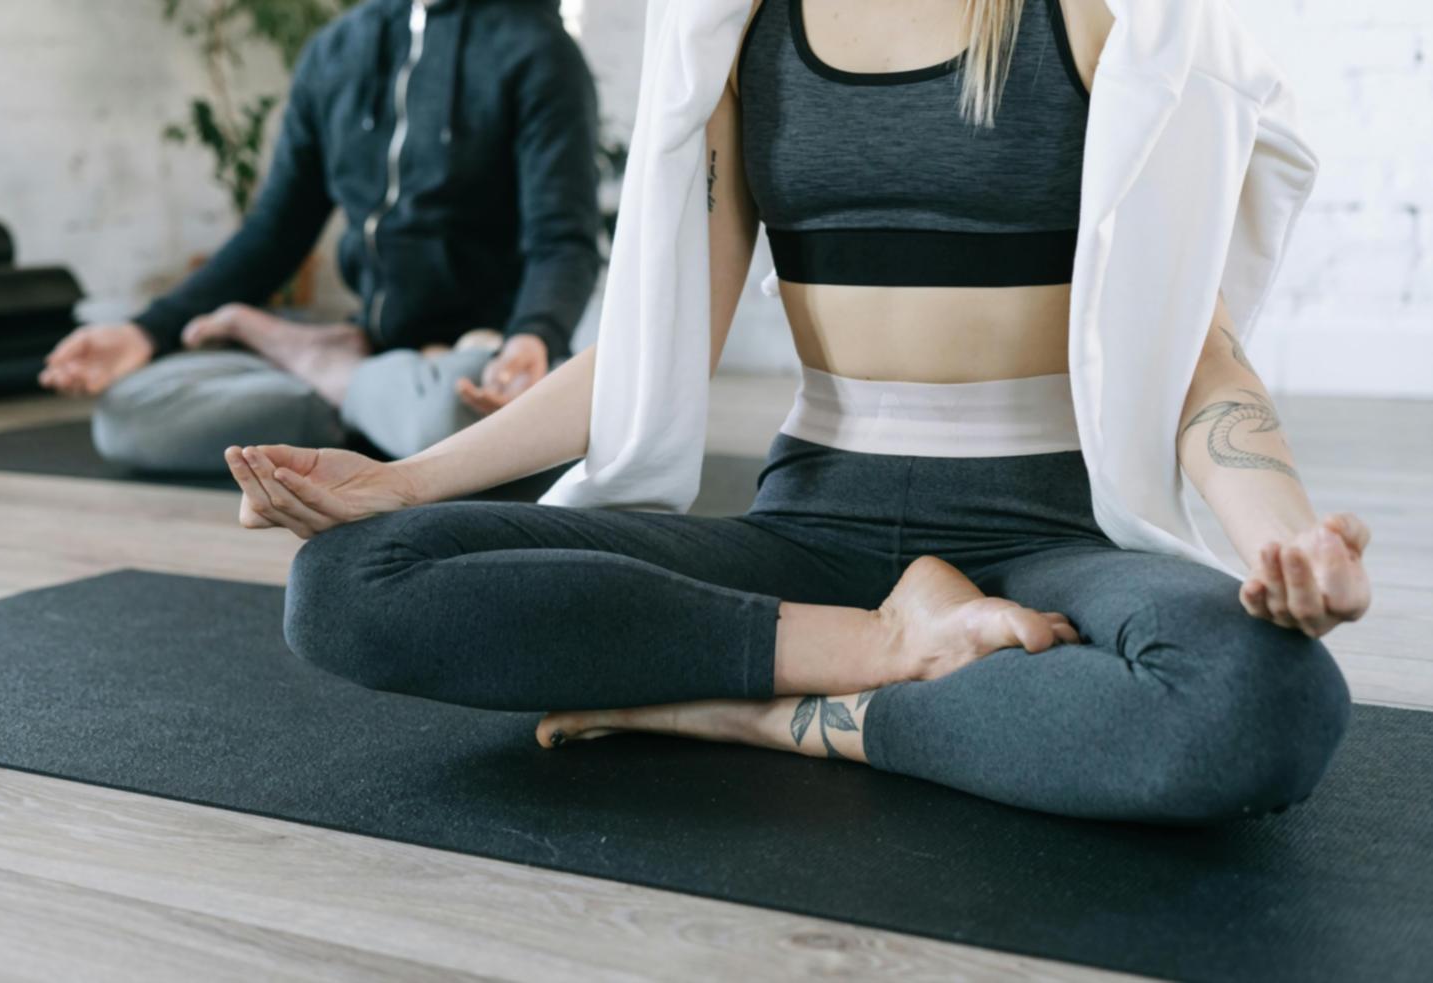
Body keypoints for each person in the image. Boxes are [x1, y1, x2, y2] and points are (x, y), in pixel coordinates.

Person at [222, 0, 1370, 824]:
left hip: (1051, 533)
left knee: (1258, 697)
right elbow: (643, 338)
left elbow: (1198, 357)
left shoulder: (1105, 18)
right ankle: (880, 643)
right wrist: (406, 482)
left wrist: (1282, 540)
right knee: (350, 582)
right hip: (814, 518)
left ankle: (749, 708)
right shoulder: (736, 26)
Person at [39, 0, 601, 470]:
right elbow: (275, 231)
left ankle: (339, 381)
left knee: (460, 422)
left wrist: (535, 336)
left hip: (479, 357)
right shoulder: (337, 51)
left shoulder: (538, 51)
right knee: (130, 414)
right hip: (375, 346)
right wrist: (146, 332)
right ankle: (360, 395)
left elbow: (563, 241)